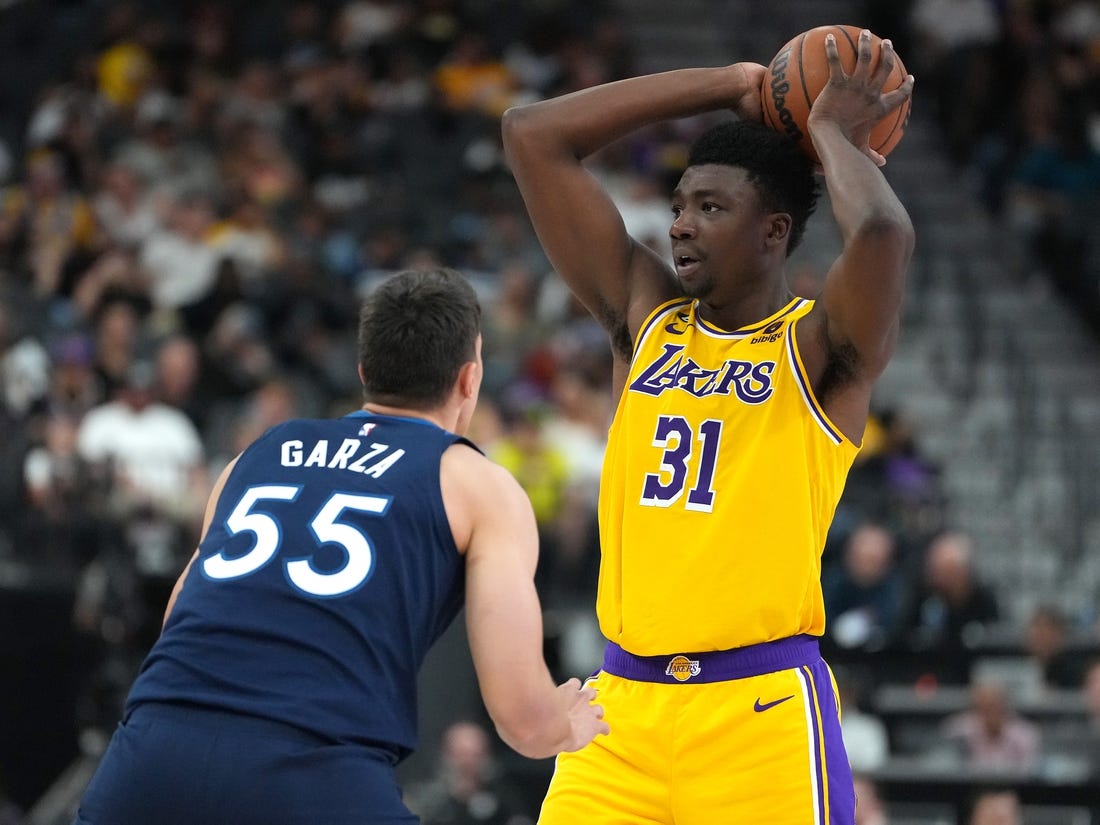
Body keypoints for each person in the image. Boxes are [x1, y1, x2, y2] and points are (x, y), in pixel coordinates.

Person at [502, 28, 914, 825]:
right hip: (619, 710)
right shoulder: (644, 318)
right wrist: (727, 84)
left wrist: (829, 133)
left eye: (712, 207)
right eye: (680, 205)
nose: (681, 224)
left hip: (759, 715)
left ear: (775, 233)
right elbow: (532, 135)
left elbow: (883, 236)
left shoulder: (819, 350)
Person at [71, 268, 609, 825]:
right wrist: (564, 724)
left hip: (152, 751)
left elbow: (178, 617)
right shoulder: (477, 482)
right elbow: (523, 720)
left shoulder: (259, 452)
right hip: (312, 766)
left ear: (363, 373)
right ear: (470, 379)